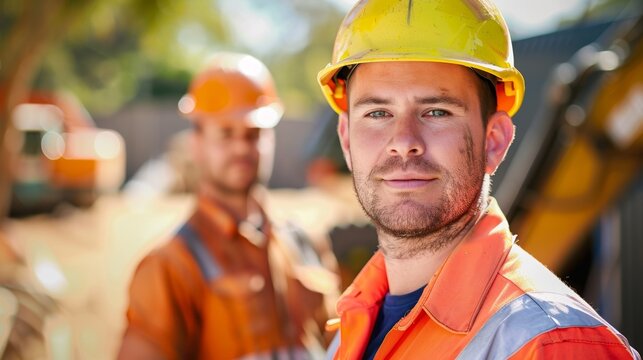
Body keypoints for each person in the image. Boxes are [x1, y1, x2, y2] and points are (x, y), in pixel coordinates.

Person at [316, 0, 641, 359]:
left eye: (436, 111)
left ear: (494, 141)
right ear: (346, 139)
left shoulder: (552, 343)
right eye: (378, 113)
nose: (404, 142)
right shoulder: (349, 331)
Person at [118, 52, 338, 360]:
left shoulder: (303, 242)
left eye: (253, 134)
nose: (241, 147)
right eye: (226, 133)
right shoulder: (171, 266)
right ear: (196, 143)